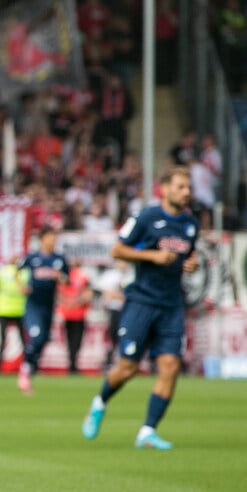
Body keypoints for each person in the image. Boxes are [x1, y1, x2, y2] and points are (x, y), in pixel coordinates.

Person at [81, 167, 199, 450]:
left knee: (170, 367)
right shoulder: (146, 218)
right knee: (128, 368)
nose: (186, 192)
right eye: (180, 187)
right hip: (141, 301)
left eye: (188, 187)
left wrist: (190, 264)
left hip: (171, 304)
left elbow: (187, 254)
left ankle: (148, 431)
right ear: (165, 189)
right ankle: (100, 402)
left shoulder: (190, 224)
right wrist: (152, 256)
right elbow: (117, 250)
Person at [17, 225, 69, 395]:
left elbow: (67, 279)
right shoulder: (32, 258)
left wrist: (61, 277)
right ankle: (25, 369)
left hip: (49, 305)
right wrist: (21, 286)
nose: (53, 241)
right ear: (42, 239)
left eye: (55, 238)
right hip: (33, 305)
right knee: (36, 336)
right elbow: (16, 270)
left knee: (43, 339)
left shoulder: (59, 259)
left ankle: (30, 368)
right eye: (50, 237)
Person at [56, 260, 94, 375]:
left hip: (76, 313)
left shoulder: (80, 276)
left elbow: (88, 294)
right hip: (71, 314)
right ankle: (72, 364)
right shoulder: (76, 276)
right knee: (74, 340)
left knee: (73, 340)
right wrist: (74, 302)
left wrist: (71, 302)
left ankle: (73, 363)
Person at [0, 255, 26, 375]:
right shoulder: (23, 272)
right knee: (21, 340)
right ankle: (27, 366)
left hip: (7, 309)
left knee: (4, 339)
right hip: (15, 309)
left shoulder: (3, 272)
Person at [96, 259, 128, 370]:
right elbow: (106, 293)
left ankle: (125, 360)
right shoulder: (110, 275)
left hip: (127, 310)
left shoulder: (131, 274)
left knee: (125, 335)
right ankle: (109, 360)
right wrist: (121, 296)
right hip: (114, 309)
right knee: (112, 335)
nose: (123, 263)